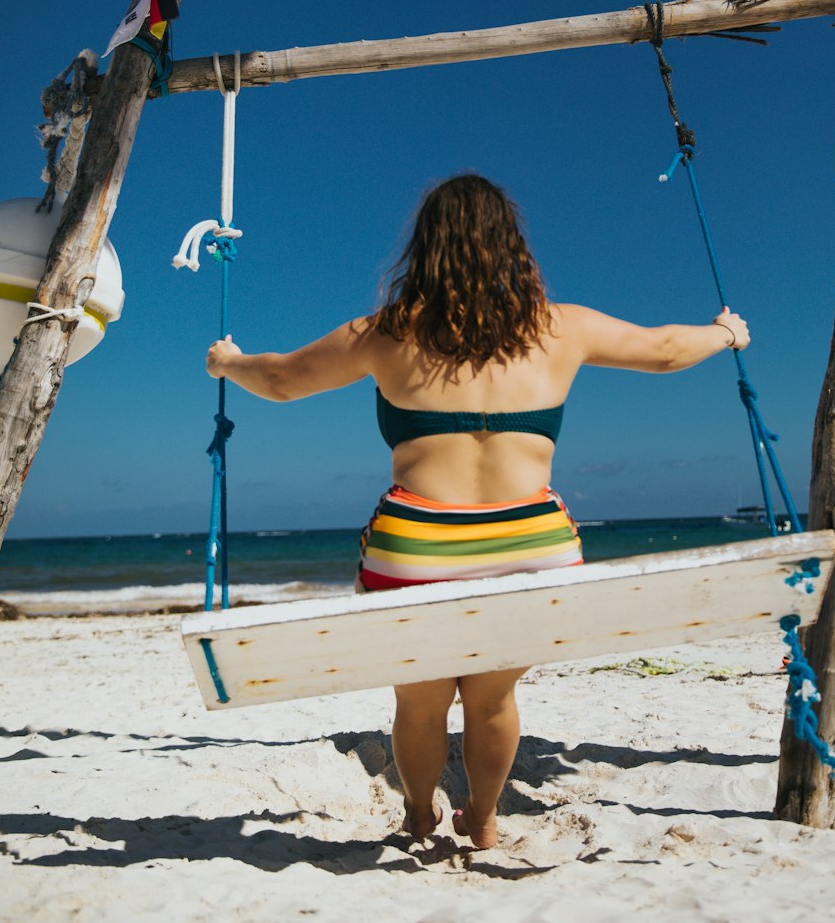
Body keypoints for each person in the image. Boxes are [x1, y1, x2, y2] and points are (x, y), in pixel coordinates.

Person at [206, 172, 749, 849]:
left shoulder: (385, 332)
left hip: (417, 546)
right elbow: (668, 350)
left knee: (420, 699)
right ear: (511, 247)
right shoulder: (561, 327)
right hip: (533, 545)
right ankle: (485, 820)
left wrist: (229, 363)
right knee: (491, 699)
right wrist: (724, 333)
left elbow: (282, 380)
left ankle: (417, 817)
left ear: (426, 248)